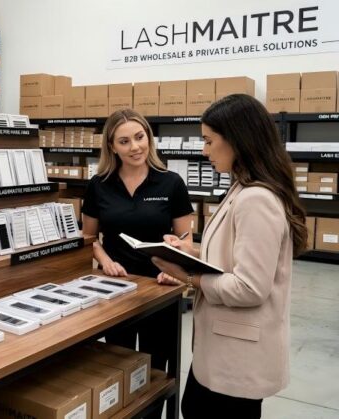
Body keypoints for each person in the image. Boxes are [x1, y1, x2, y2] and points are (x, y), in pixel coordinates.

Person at [152, 94, 308, 419]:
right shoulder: (241, 188)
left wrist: (189, 277)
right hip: (221, 352)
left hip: (238, 361)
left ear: (237, 140)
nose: (203, 150)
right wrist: (191, 251)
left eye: (209, 141)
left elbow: (250, 288)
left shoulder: (256, 199)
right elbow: (237, 255)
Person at [81, 108, 194, 417]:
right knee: (118, 365)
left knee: (157, 370)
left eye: (140, 137)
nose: (135, 147)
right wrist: (105, 261)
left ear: (149, 138)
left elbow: (186, 240)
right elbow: (89, 238)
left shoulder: (171, 183)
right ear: (112, 147)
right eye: (124, 141)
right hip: (116, 290)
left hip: (160, 289)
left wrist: (177, 255)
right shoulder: (99, 185)